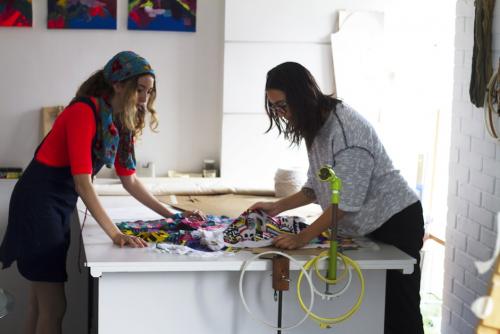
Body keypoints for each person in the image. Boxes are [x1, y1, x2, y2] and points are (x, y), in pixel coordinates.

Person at [0, 51, 200, 334]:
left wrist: (173, 216)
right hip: (38, 202)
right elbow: (83, 183)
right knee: (53, 305)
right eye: (139, 89)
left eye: (149, 91)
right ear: (118, 85)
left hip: (56, 203)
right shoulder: (84, 112)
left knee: (40, 302)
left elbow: (129, 180)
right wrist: (116, 234)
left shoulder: (120, 121)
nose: (144, 98)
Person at [250, 62, 424, 334]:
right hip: (367, 224)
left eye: (283, 106)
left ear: (301, 96)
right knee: (373, 308)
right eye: (275, 108)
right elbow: (315, 186)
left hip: (396, 220)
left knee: (399, 310)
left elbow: (345, 202)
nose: (281, 114)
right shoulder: (315, 126)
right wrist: (277, 206)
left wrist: (302, 237)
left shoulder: (345, 130)